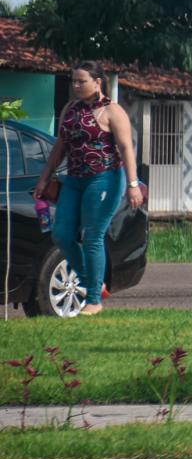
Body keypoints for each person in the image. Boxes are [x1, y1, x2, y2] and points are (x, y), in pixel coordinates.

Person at [32, 61, 144, 316]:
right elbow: (60, 147)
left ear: (97, 82)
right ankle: (93, 281)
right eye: (73, 81)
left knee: (92, 236)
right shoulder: (70, 109)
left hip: (103, 179)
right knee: (61, 234)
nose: (76, 85)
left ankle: (94, 299)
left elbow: (126, 149)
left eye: (81, 81)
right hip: (74, 179)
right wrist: (44, 179)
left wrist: (133, 184)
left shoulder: (112, 111)